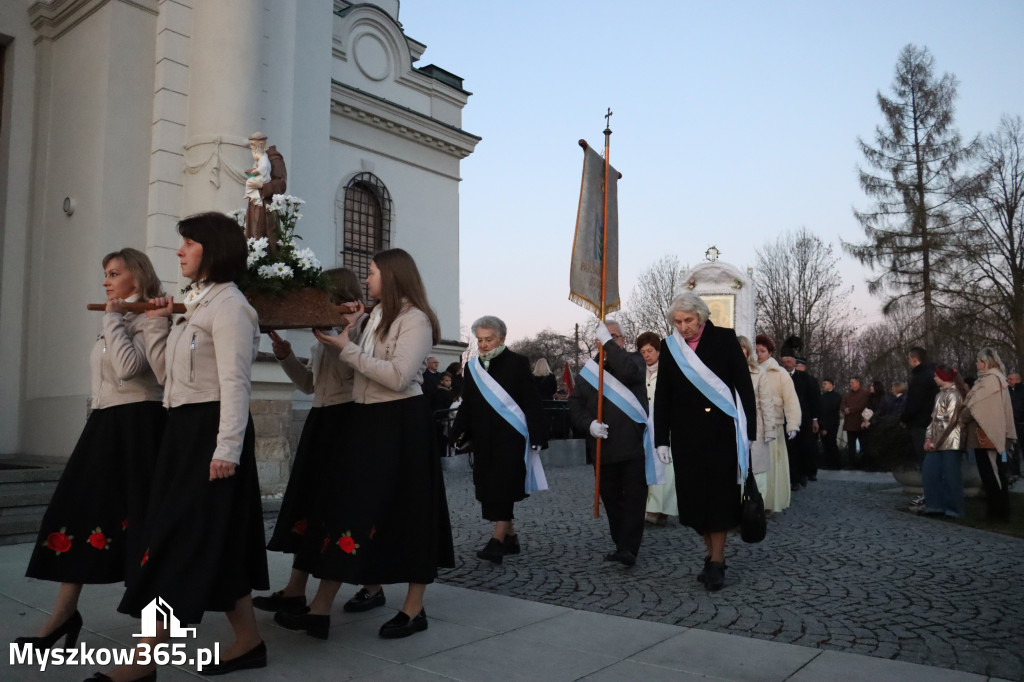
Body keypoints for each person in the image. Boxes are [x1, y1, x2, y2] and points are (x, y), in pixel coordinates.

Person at [114, 213, 269, 679]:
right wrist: (160, 324)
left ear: (213, 248)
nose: (179, 251)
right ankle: (249, 641)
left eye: (188, 243)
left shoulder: (231, 306)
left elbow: (236, 384)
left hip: (210, 431)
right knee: (210, 541)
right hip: (182, 429)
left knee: (173, 538)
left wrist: (226, 449)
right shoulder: (196, 304)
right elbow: (167, 377)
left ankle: (144, 659)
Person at [284, 247, 455, 639]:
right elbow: (351, 366)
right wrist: (344, 332)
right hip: (367, 419)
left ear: (393, 276)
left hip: (400, 422)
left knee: (410, 513)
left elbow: (397, 376)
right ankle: (320, 608)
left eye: (373, 272)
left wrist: (348, 347)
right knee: (347, 508)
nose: (367, 279)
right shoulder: (376, 315)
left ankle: (414, 609)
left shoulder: (416, 320)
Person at [19, 249, 166, 655]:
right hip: (105, 425)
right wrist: (113, 319)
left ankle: (153, 633)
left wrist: (113, 319)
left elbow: (129, 368)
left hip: (139, 429)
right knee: (79, 513)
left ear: (136, 276)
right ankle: (64, 614)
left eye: (114, 273)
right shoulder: (118, 319)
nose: (106, 281)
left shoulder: (152, 316)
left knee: (142, 523)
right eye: (105, 273)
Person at [253, 268, 364, 618]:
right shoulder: (322, 337)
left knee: (334, 506)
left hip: (346, 421)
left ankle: (347, 589)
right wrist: (284, 354)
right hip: (321, 420)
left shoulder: (358, 333)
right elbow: (308, 385)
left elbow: (356, 376)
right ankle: (294, 591)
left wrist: (345, 336)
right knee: (309, 504)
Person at [654, 294, 756, 591]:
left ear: (701, 316)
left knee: (719, 500)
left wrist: (749, 433)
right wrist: (662, 439)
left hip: (721, 433)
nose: (683, 326)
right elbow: (663, 395)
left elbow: (744, 387)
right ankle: (712, 555)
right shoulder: (669, 346)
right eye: (678, 321)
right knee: (693, 502)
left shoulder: (724, 339)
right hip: (686, 436)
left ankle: (717, 562)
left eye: (688, 320)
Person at [452, 316, 548, 564]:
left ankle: (496, 541)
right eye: (480, 340)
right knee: (488, 487)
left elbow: (531, 401)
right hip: (483, 439)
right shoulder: (472, 368)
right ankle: (511, 537)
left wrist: (538, 435)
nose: (483, 345)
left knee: (504, 486)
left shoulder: (517, 363)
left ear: (502, 338)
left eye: (489, 339)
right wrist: (457, 434)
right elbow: (468, 404)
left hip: (511, 437)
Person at [569, 319, 649, 567]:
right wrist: (588, 424)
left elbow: (625, 372)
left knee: (634, 499)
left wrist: (608, 344)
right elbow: (574, 405)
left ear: (623, 340)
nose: (612, 341)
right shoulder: (589, 372)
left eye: (616, 337)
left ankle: (630, 548)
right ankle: (620, 544)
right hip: (603, 448)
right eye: (606, 337)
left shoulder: (634, 361)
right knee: (612, 500)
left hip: (632, 445)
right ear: (596, 343)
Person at [959, 348, 1018, 521]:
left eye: (978, 361)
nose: (976, 364)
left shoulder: (990, 380)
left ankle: (997, 512)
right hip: (991, 434)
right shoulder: (996, 379)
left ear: (985, 362)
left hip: (987, 435)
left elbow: (974, 406)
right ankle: (999, 510)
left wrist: (962, 416)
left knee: (991, 473)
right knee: (996, 472)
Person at [755, 335, 800, 513]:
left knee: (772, 468)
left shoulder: (780, 373)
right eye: (756, 351)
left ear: (770, 352)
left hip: (774, 426)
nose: (758, 354)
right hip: (755, 427)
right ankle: (755, 501)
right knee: (757, 468)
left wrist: (793, 425)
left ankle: (769, 503)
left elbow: (791, 401)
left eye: (762, 351)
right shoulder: (749, 370)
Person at [639, 331, 677, 526]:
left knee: (666, 469)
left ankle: (662, 509)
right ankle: (651, 507)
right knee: (649, 467)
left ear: (658, 351)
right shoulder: (639, 372)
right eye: (643, 351)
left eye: (650, 350)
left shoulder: (668, 370)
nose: (647, 355)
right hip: (645, 425)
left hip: (665, 424)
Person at [921, 365, 968, 518]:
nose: (934, 378)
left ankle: (953, 509)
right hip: (936, 441)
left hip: (951, 442)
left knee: (950, 476)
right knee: (930, 472)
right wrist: (928, 438)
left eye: (937, 375)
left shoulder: (954, 395)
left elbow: (950, 421)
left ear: (944, 377)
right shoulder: (939, 395)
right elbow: (933, 420)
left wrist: (936, 442)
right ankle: (934, 506)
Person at [738, 336, 773, 506]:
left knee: (757, 468)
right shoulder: (724, 372)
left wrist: (770, 430)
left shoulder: (759, 372)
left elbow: (767, 402)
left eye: (742, 348)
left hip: (756, 426)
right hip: (734, 425)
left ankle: (758, 505)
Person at [779, 351, 818, 488]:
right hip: (785, 418)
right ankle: (793, 479)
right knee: (791, 449)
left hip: (805, 418)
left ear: (794, 362)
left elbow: (813, 399)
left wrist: (815, 419)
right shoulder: (779, 376)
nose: (786, 365)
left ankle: (803, 474)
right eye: (784, 362)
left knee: (804, 448)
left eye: (789, 362)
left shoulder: (805, 378)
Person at [243, 132, 288, 244]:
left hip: (267, 206)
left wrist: (262, 186)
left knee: (264, 236)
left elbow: (281, 184)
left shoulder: (275, 159)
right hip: (256, 203)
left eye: (253, 144)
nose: (251, 148)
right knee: (253, 233)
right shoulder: (261, 157)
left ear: (262, 143)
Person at [901, 346, 939, 467]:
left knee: (924, 457)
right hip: (933, 421)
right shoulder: (932, 374)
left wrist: (904, 418)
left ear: (913, 359)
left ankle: (928, 483)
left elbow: (914, 402)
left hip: (920, 422)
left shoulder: (919, 378)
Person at [840, 377, 870, 468]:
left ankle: (865, 464)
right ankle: (851, 464)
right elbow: (842, 404)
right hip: (850, 423)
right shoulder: (847, 394)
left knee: (864, 445)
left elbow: (862, 405)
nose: (850, 384)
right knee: (851, 446)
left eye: (852, 382)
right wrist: (844, 409)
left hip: (860, 422)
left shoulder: (865, 393)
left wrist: (851, 410)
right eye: (850, 382)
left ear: (858, 383)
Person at [819, 379, 842, 469]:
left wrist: (826, 427)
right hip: (823, 423)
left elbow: (831, 410)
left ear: (831, 385)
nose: (823, 386)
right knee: (825, 444)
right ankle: (827, 463)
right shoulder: (822, 397)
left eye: (825, 384)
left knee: (832, 443)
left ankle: (835, 464)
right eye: (823, 384)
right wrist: (822, 426)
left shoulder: (836, 396)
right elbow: (820, 411)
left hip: (832, 423)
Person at [1007, 371, 1023, 477]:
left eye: (1011, 379)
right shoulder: (1006, 391)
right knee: (1013, 448)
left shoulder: (1022, 390)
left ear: (1018, 380)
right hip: (1011, 424)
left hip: (1021, 422)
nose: (1008, 381)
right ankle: (1014, 470)